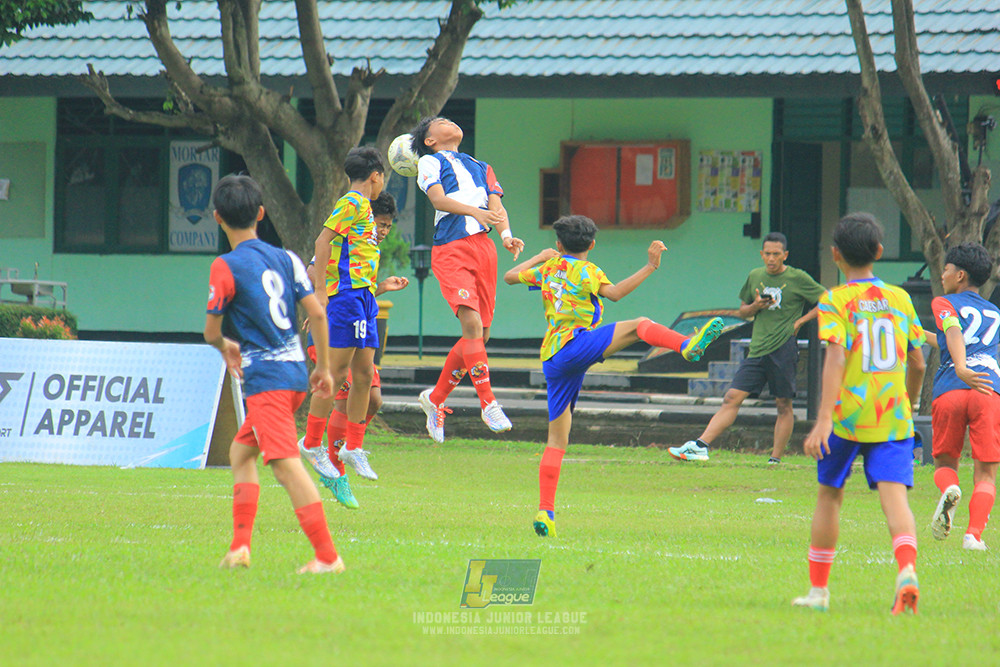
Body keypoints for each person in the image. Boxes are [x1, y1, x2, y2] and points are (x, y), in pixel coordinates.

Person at [504, 215, 724, 538]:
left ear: (559, 245)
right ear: (592, 245)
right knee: (639, 326)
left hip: (552, 358)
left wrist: (540, 256)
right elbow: (617, 293)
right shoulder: (589, 271)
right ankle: (687, 345)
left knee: (556, 440)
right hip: (575, 345)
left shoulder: (547, 270)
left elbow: (509, 277)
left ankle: (545, 512)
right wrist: (650, 266)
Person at [204, 174, 343, 574]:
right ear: (261, 214)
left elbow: (212, 330)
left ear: (217, 218)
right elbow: (317, 311)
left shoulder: (225, 265)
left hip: (266, 382)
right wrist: (323, 368)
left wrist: (224, 345)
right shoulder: (287, 259)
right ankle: (239, 548)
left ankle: (327, 557)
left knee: (284, 464)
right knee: (240, 451)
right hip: (297, 375)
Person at [792, 212, 925, 614]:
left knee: (830, 495)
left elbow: (835, 355)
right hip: (892, 416)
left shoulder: (835, 300)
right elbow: (918, 362)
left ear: (835, 255)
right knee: (894, 498)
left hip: (847, 415)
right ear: (880, 252)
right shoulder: (901, 299)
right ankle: (906, 570)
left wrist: (824, 419)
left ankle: (818, 593)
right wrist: (912, 403)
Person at [409, 117, 525, 443]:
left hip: (484, 250)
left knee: (480, 335)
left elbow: (496, 205)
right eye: (440, 122)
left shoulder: (481, 165)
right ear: (430, 140)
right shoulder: (429, 161)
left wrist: (506, 235)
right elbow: (437, 200)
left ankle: (435, 400)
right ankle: (488, 403)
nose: (449, 121)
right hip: (452, 248)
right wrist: (475, 213)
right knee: (472, 326)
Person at [669, 231, 825, 464]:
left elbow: (827, 300)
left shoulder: (798, 278)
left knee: (783, 404)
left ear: (785, 255)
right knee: (732, 397)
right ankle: (701, 445)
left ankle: (775, 459)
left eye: (776, 254)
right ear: (762, 254)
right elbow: (742, 311)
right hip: (757, 348)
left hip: (783, 348)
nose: (771, 259)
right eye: (767, 254)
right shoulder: (755, 275)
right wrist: (755, 306)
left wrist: (800, 322)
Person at [299, 192, 408, 509]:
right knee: (343, 396)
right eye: (381, 223)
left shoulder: (369, 249)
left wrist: (382, 286)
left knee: (372, 398)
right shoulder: (342, 236)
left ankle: (343, 451)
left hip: (358, 325)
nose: (384, 231)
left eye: (388, 226)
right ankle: (335, 470)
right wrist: (325, 296)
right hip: (334, 330)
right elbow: (311, 270)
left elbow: (359, 286)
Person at [309, 147, 385, 481]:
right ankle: (312, 444)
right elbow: (321, 241)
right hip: (347, 297)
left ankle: (352, 446)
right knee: (337, 374)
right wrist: (321, 292)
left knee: (365, 376)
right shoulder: (352, 202)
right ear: (375, 176)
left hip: (366, 296)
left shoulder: (365, 208)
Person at [922, 242, 998, 551]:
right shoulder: (994, 312)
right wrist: (916, 334)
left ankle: (950, 488)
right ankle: (974, 536)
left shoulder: (944, 302)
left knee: (944, 463)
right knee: (987, 473)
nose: (942, 274)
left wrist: (962, 368)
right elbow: (953, 340)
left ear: (960, 275)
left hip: (952, 387)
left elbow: (953, 331)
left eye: (947, 269)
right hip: (988, 390)